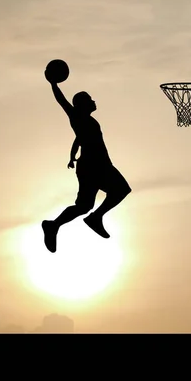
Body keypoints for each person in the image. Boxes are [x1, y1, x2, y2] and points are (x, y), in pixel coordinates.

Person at [42, 76, 132, 253]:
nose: (93, 101)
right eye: (90, 99)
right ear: (82, 104)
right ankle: (95, 218)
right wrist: (53, 83)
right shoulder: (76, 116)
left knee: (83, 206)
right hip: (95, 166)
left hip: (91, 166)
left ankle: (53, 225)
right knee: (121, 190)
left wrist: (72, 155)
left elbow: (79, 139)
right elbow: (62, 101)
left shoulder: (88, 122)